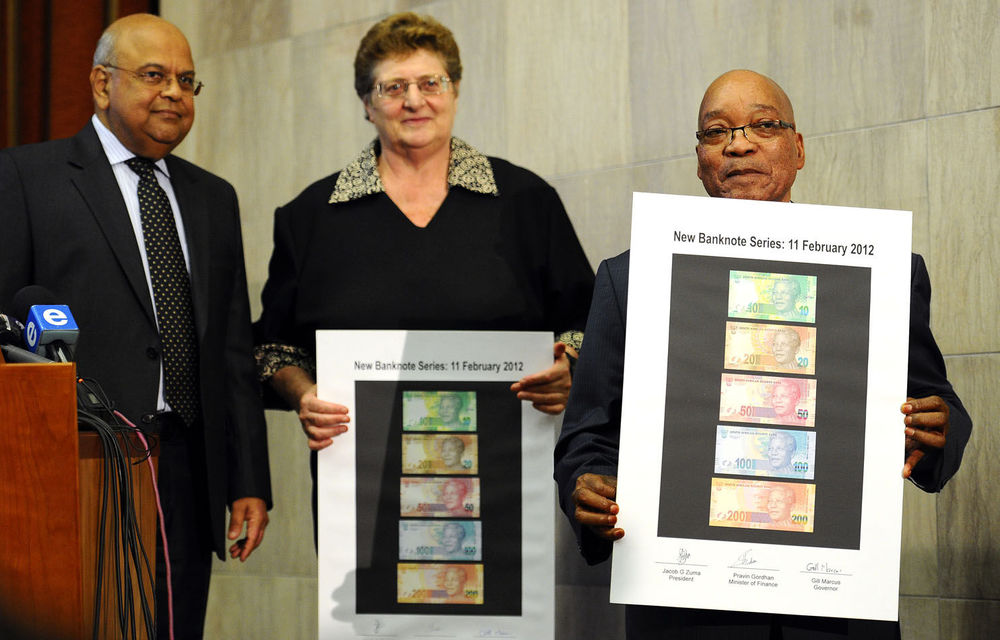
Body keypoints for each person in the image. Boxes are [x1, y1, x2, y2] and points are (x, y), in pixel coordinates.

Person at [554, 69, 972, 638]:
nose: (739, 143)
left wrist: (938, 426)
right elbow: (588, 435)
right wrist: (589, 483)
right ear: (700, 158)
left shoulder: (880, 271)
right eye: (716, 132)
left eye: (763, 125)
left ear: (798, 150)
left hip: (834, 607)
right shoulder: (631, 280)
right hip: (684, 608)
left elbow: (935, 401)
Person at [253, 12, 593, 522]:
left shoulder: (526, 202)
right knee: (364, 605)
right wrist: (306, 394)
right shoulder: (310, 218)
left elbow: (589, 323)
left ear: (454, 91)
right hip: (360, 491)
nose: (414, 100)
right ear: (367, 104)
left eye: (430, 83)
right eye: (393, 87)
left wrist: (570, 365)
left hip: (502, 484)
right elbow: (272, 347)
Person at [0, 14, 271, 639]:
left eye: (187, 80)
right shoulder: (26, 178)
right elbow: (6, 322)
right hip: (79, 462)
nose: (174, 92)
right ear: (101, 83)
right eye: (154, 75)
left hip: (186, 466)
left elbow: (232, 349)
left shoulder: (213, 198)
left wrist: (248, 479)